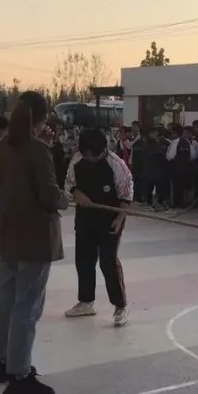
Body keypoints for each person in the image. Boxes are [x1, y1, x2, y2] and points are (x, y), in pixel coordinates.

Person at [0, 92, 68, 394]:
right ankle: (20, 375)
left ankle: (2, 361)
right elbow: (49, 195)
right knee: (27, 305)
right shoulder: (38, 150)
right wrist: (65, 199)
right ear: (43, 118)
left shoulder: (2, 147)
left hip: (7, 232)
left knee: (5, 297)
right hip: (34, 236)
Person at [63, 128, 134, 327]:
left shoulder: (117, 165)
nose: (90, 159)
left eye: (94, 155)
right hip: (85, 216)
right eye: (86, 155)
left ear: (103, 150)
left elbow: (126, 194)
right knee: (84, 259)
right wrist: (77, 194)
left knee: (107, 262)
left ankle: (120, 306)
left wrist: (119, 219)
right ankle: (86, 302)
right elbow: (68, 184)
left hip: (111, 217)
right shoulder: (77, 160)